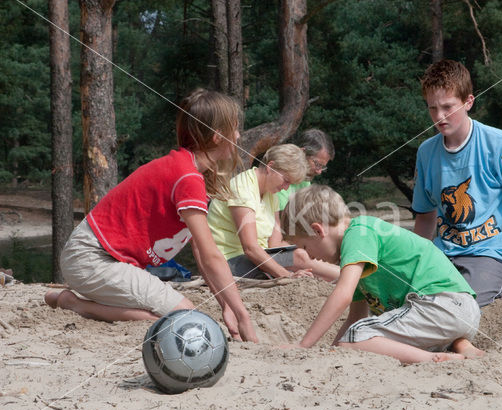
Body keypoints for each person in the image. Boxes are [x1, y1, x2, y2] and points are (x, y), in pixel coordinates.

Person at [45, 88, 257, 342]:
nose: (238, 135)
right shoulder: (187, 177)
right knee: (183, 316)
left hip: (98, 260)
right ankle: (76, 304)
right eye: (234, 129)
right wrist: (242, 315)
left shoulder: (189, 170)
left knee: (170, 314)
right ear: (217, 136)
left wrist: (226, 305)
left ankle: (71, 299)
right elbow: (212, 256)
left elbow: (201, 251)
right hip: (92, 258)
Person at [280, 185, 484, 364]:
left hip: (440, 305)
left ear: (317, 231)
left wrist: (304, 345)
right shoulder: (358, 255)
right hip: (460, 314)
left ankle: (432, 359)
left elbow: (342, 296)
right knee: (359, 337)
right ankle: (460, 345)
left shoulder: (359, 232)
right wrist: (334, 350)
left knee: (355, 338)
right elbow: (355, 316)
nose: (310, 256)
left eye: (305, 246)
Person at [412, 59, 502, 307]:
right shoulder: (426, 153)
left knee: (460, 308)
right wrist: (414, 264)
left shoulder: (500, 145)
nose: (439, 116)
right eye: (432, 108)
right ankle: (500, 301)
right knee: (413, 302)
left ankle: (490, 292)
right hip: (444, 254)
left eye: (448, 107)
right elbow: (425, 217)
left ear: (469, 101)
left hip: (493, 253)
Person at [207, 144, 339, 281]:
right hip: (229, 261)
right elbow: (250, 248)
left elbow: (274, 244)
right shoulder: (243, 188)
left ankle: (346, 276)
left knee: (300, 253)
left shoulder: (270, 195)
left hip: (255, 257)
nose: (286, 188)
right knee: (298, 257)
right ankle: (349, 277)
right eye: (286, 180)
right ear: (270, 167)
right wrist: (287, 275)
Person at [276, 129, 335, 211]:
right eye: (317, 164)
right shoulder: (277, 174)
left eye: (322, 167)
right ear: (302, 152)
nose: (319, 171)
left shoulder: (305, 179)